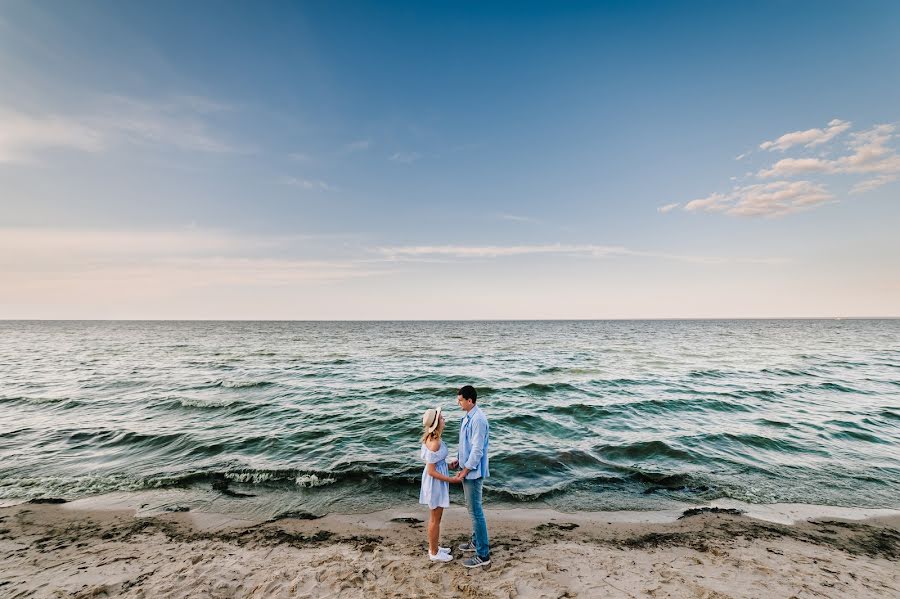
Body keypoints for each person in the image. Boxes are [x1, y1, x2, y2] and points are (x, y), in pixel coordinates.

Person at [450, 385, 491, 567]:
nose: (458, 403)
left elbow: (477, 450)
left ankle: (483, 555)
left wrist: (465, 470)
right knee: (472, 509)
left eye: (460, 400)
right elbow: (465, 445)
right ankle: (475, 541)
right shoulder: (467, 416)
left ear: (470, 400)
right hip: (467, 468)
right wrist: (458, 461)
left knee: (476, 511)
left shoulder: (478, 420)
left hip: (473, 472)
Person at [419, 406, 460, 562]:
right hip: (434, 482)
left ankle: (434, 547)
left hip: (436, 479)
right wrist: (452, 479)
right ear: (436, 423)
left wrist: (448, 466)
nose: (444, 419)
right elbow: (431, 471)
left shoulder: (433, 438)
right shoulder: (435, 442)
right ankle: (434, 553)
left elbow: (436, 464)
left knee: (436, 517)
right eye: (441, 418)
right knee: (435, 519)